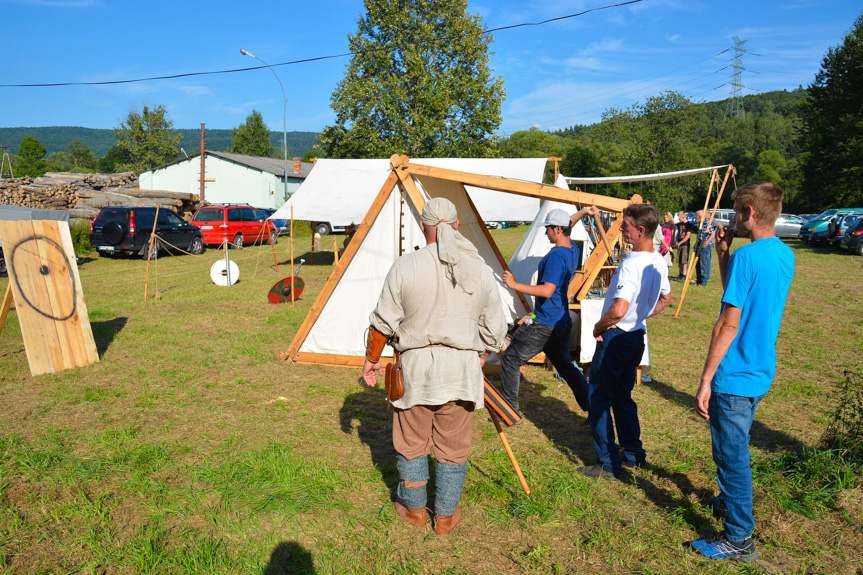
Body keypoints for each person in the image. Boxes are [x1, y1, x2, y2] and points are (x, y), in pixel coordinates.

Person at [362, 198, 508, 535]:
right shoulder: (480, 270)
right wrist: (481, 354)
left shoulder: (405, 266)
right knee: (453, 447)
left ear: (424, 226)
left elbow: (382, 324)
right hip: (460, 370)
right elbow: (495, 329)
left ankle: (414, 511)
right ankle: (444, 517)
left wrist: (370, 363)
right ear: (455, 226)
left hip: (414, 370)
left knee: (411, 442)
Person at [688, 182, 794, 563]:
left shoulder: (750, 258)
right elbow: (743, 293)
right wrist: (723, 254)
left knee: (732, 456)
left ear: (750, 212)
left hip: (734, 376)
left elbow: (728, 324)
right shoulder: (783, 255)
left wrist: (705, 380)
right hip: (759, 370)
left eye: (735, 210)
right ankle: (729, 505)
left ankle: (738, 539)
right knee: (735, 448)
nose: (732, 216)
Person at [580, 204, 672, 479]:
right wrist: (640, 316)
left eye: (626, 225)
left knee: (598, 399)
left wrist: (600, 325)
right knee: (622, 397)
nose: (622, 230)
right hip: (634, 338)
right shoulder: (657, 261)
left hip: (618, 337)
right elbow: (666, 299)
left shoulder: (633, 264)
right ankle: (633, 454)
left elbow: (619, 310)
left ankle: (609, 463)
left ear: (641, 230)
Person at [499, 205, 599, 415]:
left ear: (558, 230)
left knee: (510, 359)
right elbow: (568, 224)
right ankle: (594, 408)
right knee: (566, 367)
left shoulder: (556, 257)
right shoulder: (573, 249)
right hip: (561, 320)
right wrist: (583, 212)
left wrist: (514, 284)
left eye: (548, 229)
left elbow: (546, 290)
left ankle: (509, 410)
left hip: (545, 322)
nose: (546, 232)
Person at [694, 210, 717, 286]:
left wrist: (706, 242)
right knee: (697, 263)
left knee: (704, 263)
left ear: (700, 217)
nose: (695, 218)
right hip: (699, 244)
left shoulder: (708, 223)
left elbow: (713, 234)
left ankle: (705, 280)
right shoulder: (700, 224)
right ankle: (699, 279)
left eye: (696, 216)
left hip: (705, 245)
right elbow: (699, 235)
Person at [673, 211, 691, 281]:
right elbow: (678, 234)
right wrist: (677, 241)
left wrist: (680, 243)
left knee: (684, 260)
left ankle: (684, 274)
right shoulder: (679, 225)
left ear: (683, 217)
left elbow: (687, 236)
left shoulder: (689, 225)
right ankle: (680, 274)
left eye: (679, 218)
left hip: (685, 244)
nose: (679, 219)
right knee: (679, 260)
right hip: (679, 243)